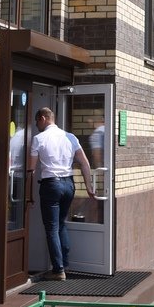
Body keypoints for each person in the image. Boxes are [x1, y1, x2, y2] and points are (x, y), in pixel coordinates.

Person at [29, 107, 96, 281]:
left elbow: (31, 169)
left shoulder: (38, 139)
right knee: (60, 224)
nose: (36, 125)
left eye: (37, 121)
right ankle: (64, 264)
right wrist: (89, 187)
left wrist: (28, 195)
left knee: (52, 229)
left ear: (43, 118)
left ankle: (58, 270)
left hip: (51, 185)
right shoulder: (70, 137)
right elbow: (85, 163)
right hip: (68, 185)